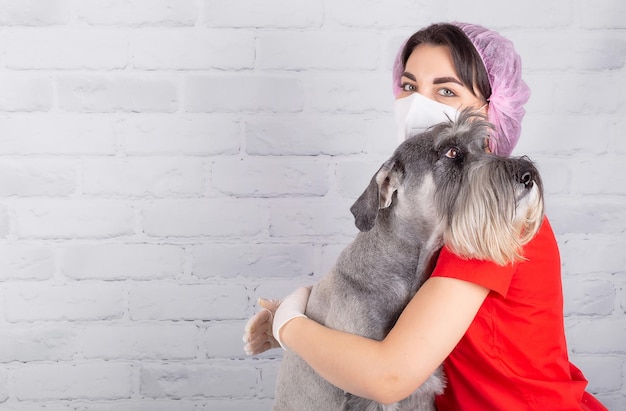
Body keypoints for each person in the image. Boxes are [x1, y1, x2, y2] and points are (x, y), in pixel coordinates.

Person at [243, 22, 607, 411]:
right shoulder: (442, 219)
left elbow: (389, 377)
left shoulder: (496, 216)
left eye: (446, 90)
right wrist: (316, 304)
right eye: (410, 86)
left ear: (491, 109)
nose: (420, 103)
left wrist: (290, 324)